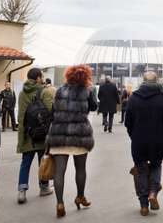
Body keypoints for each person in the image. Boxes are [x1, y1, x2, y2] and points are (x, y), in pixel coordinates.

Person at [46, 65, 98, 218]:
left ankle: (60, 203)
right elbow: (94, 107)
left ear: (68, 76)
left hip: (59, 135)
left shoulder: (59, 90)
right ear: (85, 77)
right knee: (80, 169)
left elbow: (53, 111)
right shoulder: (88, 91)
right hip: (79, 135)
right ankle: (80, 196)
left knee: (59, 171)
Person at [125, 72, 163, 216]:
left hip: (139, 140)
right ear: (157, 81)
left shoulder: (134, 98)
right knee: (156, 164)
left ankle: (144, 205)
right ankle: (153, 192)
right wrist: (162, 135)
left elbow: (128, 123)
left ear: (142, 81)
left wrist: (134, 136)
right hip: (157, 140)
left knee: (141, 169)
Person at [17, 67, 54, 204]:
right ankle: (44, 188)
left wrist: (23, 135)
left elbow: (21, 116)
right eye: (41, 76)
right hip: (41, 134)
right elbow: (51, 112)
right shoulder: (44, 91)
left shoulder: (22, 92)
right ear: (38, 78)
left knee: (25, 163)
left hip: (28, 134)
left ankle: (22, 191)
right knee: (42, 161)